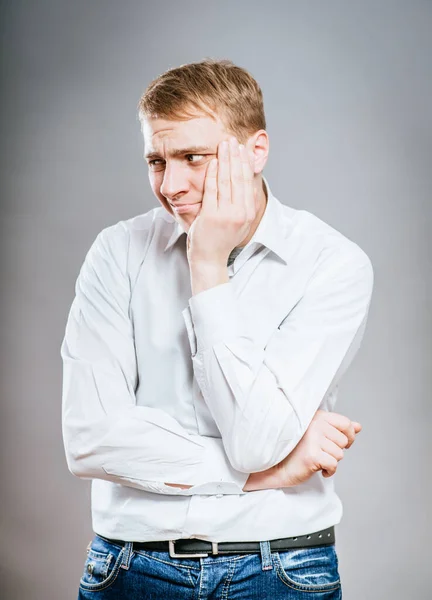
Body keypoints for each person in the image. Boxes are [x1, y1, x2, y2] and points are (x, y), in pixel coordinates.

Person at [61, 58, 373, 599]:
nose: (171, 186)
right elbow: (89, 441)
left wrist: (205, 263)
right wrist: (263, 475)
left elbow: (253, 442)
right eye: (156, 161)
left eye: (192, 158)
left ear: (256, 150)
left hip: (281, 570)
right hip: (131, 569)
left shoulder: (333, 263)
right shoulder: (117, 251)